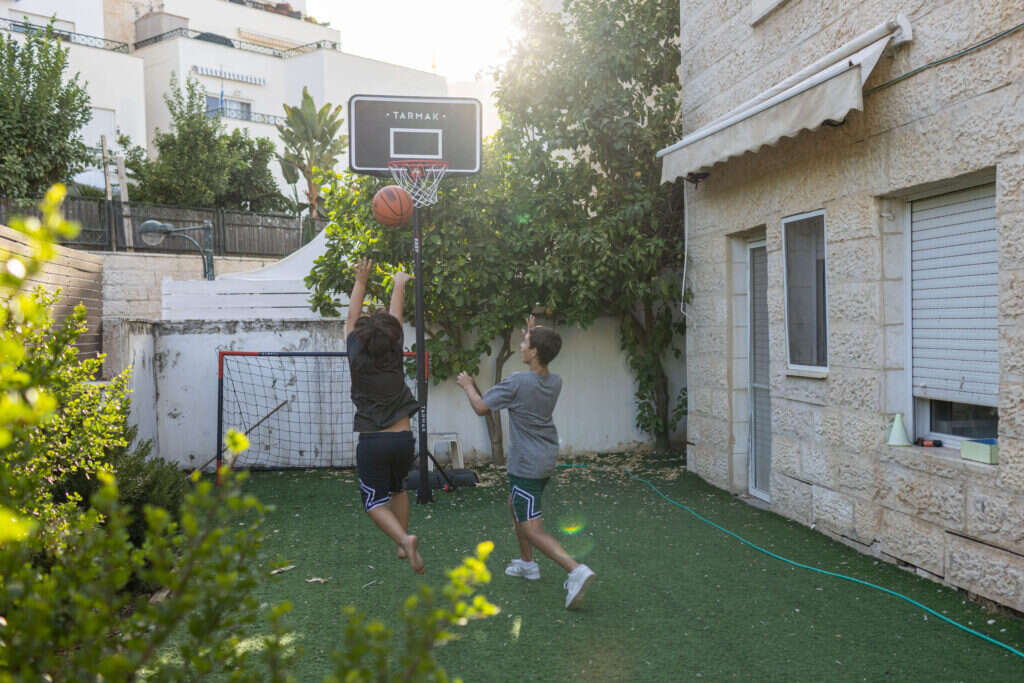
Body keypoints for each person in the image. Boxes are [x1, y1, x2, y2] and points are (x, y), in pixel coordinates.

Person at [456, 316, 595, 609]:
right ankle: (527, 563)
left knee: (532, 527)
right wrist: (533, 334)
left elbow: (481, 407)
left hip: (526, 466)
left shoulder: (518, 382)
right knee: (514, 503)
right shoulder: (554, 381)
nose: (521, 346)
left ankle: (575, 570)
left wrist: (468, 385)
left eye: (525, 343)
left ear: (533, 353)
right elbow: (540, 361)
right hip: (544, 459)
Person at [346, 257, 424, 574]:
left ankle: (404, 540)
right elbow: (395, 315)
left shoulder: (355, 352)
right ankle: (401, 544)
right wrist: (399, 282)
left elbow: (352, 317)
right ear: (390, 337)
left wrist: (360, 280)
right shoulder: (394, 350)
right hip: (404, 439)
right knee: (398, 488)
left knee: (373, 502)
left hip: (374, 442)